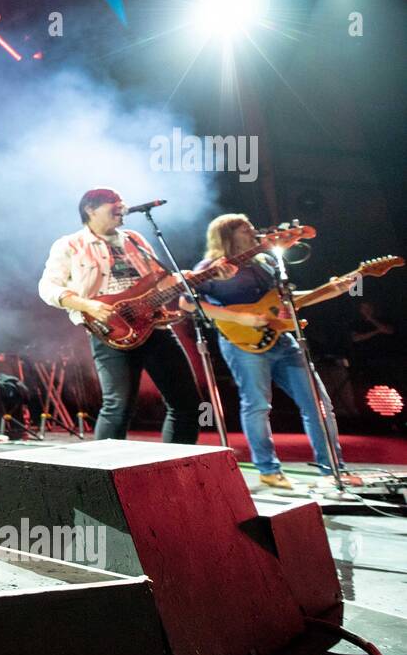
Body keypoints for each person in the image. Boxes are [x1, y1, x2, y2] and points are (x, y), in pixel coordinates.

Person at [38, 187, 228, 444]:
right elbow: (48, 287)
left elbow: (161, 281)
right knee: (118, 407)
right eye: (114, 206)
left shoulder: (134, 238)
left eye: (122, 205)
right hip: (111, 330)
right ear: (90, 209)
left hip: (155, 326)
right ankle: (106, 476)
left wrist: (209, 273)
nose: (122, 210)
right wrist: (88, 306)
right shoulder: (70, 245)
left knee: (187, 403)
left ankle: (174, 471)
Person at [183, 213, 358, 491]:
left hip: (282, 338)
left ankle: (333, 469)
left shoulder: (265, 261)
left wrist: (331, 290)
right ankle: (267, 469)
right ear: (227, 236)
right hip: (243, 344)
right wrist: (239, 318)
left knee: (319, 404)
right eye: (245, 229)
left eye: (253, 226)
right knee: (258, 405)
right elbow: (188, 304)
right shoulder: (210, 267)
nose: (253, 231)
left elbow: (283, 302)